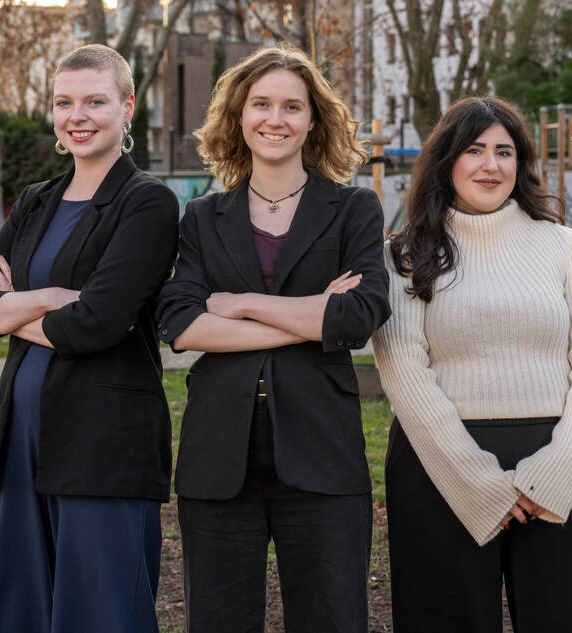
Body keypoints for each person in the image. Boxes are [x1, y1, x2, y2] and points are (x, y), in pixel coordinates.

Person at [155, 44, 391, 633]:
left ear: (314, 119)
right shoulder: (203, 218)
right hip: (218, 457)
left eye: (292, 106)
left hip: (322, 452)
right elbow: (180, 324)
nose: (275, 119)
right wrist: (313, 317)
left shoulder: (353, 210)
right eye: (261, 103)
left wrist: (244, 305)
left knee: (331, 620)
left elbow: (360, 316)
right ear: (239, 115)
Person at [0, 44, 178, 633]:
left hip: (103, 445)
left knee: (99, 615)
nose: (77, 116)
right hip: (19, 442)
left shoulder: (147, 202)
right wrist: (52, 299)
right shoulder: (35, 201)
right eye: (64, 103)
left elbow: (99, 324)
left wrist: (12, 309)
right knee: (18, 612)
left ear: (127, 107)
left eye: (95, 101)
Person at [372, 96, 572, 632]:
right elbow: (404, 371)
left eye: (505, 152)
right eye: (475, 150)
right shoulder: (404, 255)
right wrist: (478, 483)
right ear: (447, 161)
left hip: (557, 468)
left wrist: (553, 472)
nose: (491, 165)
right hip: (438, 467)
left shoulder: (563, 246)